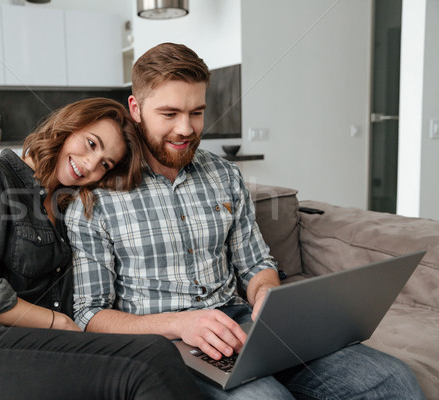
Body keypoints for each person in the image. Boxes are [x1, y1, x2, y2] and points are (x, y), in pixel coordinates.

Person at [66, 43, 425, 399]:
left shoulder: (224, 175)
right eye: (170, 113)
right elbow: (90, 312)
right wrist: (180, 322)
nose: (186, 129)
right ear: (136, 108)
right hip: (167, 342)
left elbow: (255, 263)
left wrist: (266, 292)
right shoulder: (95, 195)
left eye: (196, 112)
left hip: (244, 323)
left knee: (394, 379)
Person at [0, 97, 203, 400]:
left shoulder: (71, 213)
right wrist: (60, 323)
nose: (90, 164)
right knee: (149, 359)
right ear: (69, 126)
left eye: (105, 164)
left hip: (8, 350)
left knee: (150, 358)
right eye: (91, 143)